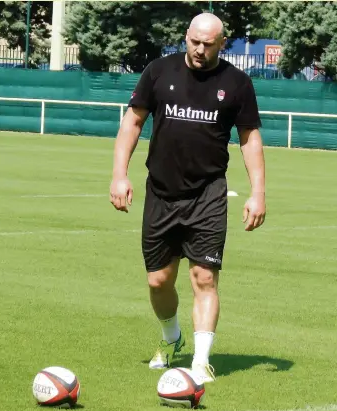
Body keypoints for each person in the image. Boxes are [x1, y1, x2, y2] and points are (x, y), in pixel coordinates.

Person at [109, 12, 266, 383]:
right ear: (186, 37)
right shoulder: (158, 72)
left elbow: (249, 140)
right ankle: (171, 338)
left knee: (203, 277)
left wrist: (257, 193)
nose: (199, 49)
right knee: (158, 281)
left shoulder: (237, 83)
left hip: (208, 194)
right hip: (161, 192)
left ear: (221, 43)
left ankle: (200, 361)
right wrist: (119, 174)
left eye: (207, 44)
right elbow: (132, 122)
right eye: (194, 41)